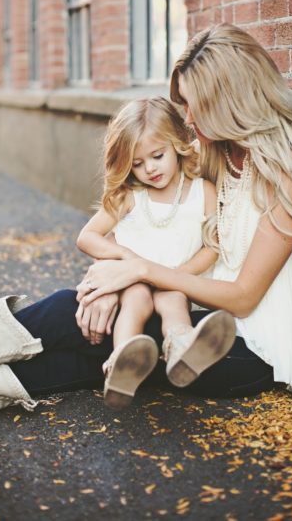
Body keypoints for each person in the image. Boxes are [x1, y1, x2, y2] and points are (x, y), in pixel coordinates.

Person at [0, 23, 292, 417]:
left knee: (105, 341)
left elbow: (243, 297)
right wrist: (115, 282)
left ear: (229, 100)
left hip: (264, 351)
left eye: (193, 105)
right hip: (221, 325)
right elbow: (146, 201)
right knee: (81, 320)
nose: (189, 119)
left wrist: (136, 271)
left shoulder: (290, 170)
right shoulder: (220, 150)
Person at [74, 97, 235, 409]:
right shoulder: (130, 196)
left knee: (174, 300)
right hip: (134, 282)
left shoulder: (204, 192)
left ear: (177, 144)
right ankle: (122, 362)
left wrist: (176, 276)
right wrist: (129, 260)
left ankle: (182, 347)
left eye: (157, 156)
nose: (149, 168)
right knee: (136, 298)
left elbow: (211, 248)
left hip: (177, 279)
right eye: (137, 163)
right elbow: (88, 237)